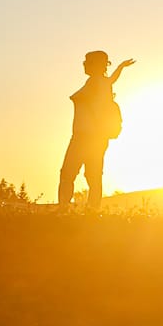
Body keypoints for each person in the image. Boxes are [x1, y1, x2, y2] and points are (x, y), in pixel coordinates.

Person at [58, 51, 135, 208]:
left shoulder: (95, 82)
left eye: (88, 61)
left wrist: (121, 67)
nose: (84, 64)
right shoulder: (102, 83)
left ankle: (64, 209)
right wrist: (121, 66)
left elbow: (109, 81)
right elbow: (112, 79)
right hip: (96, 138)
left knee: (68, 174)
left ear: (96, 64)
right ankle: (92, 210)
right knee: (93, 176)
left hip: (85, 137)